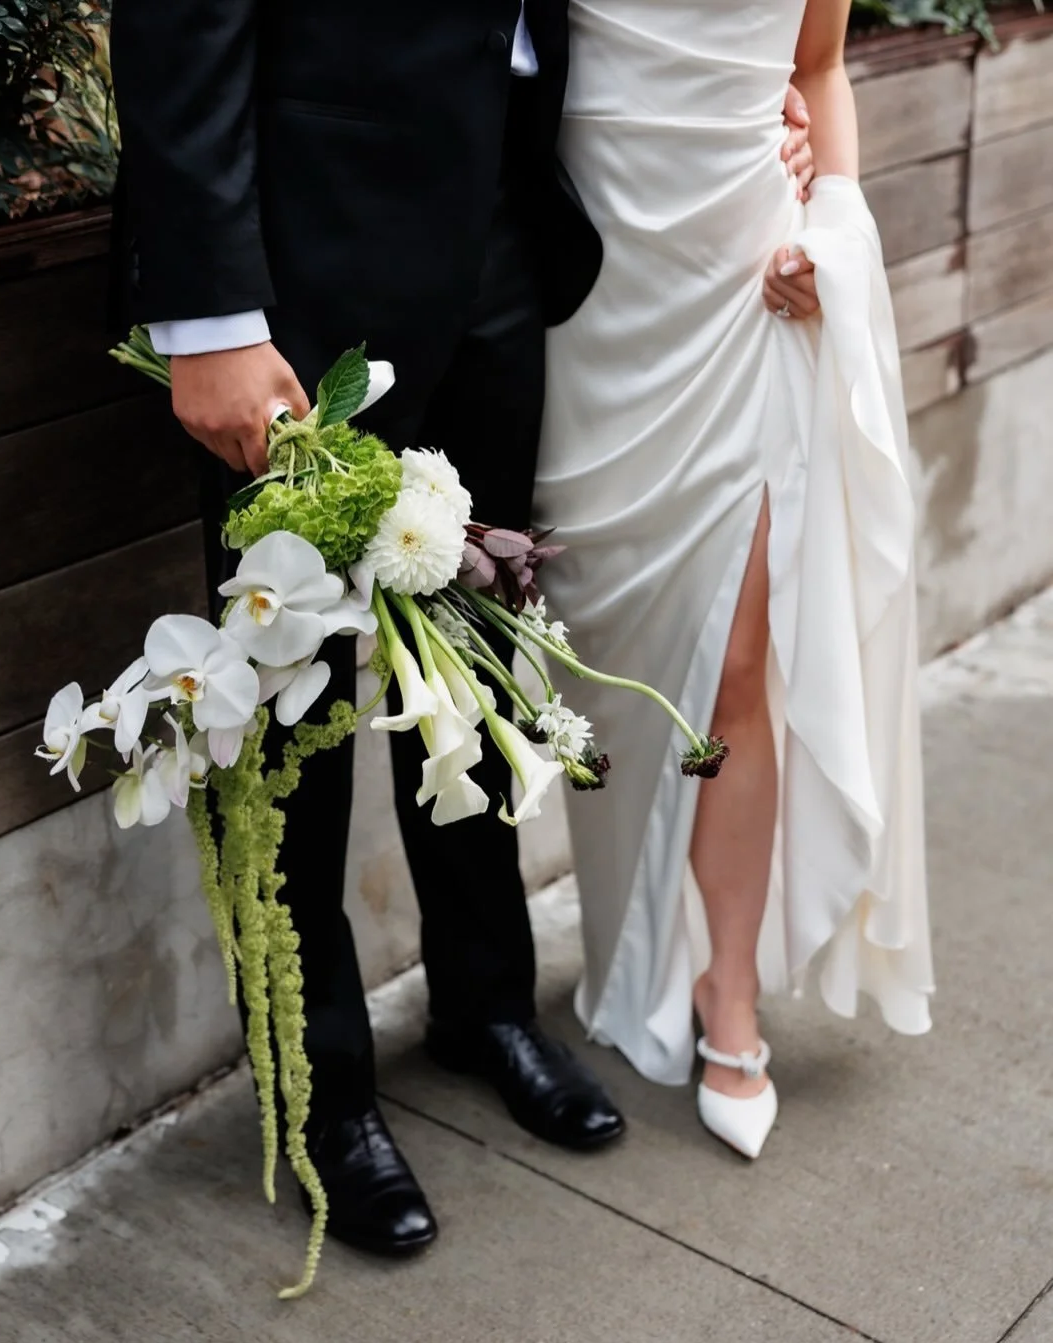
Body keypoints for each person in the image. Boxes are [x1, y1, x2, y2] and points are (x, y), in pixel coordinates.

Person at [108, 0, 813, 1253]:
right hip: (306, 248)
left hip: (501, 223)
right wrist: (212, 313)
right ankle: (318, 1083)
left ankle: (485, 1004)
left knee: (482, 644)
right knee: (290, 691)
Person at [535, 0, 935, 1161]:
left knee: (738, 662)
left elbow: (822, 64)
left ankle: (732, 994)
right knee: (608, 661)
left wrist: (832, 222)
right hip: (594, 294)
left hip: (748, 287)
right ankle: (626, 948)